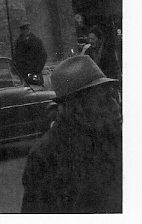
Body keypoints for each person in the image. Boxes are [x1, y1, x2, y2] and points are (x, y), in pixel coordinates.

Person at [21, 53, 122, 213]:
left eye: (114, 96)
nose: (116, 107)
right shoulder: (46, 156)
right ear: (77, 108)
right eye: (103, 101)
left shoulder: (113, 137)